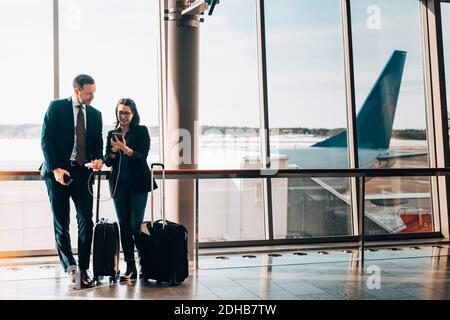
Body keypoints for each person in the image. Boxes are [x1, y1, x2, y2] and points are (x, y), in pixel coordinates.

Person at [40, 74, 104, 288]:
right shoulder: (56, 108)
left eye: (94, 92)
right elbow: (46, 140)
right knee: (62, 223)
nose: (92, 96)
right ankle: (70, 268)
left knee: (87, 220)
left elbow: (97, 145)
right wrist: (56, 168)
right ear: (76, 90)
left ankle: (84, 268)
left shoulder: (96, 115)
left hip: (83, 174)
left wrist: (98, 159)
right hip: (58, 173)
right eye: (89, 93)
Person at [104, 98, 156, 281]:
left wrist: (125, 148)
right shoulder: (112, 133)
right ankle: (130, 267)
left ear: (133, 114)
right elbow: (108, 161)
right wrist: (113, 151)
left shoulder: (141, 131)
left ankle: (147, 259)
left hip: (138, 184)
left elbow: (142, 156)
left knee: (135, 225)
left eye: (126, 112)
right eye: (120, 112)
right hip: (119, 185)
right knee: (124, 226)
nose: (123, 116)